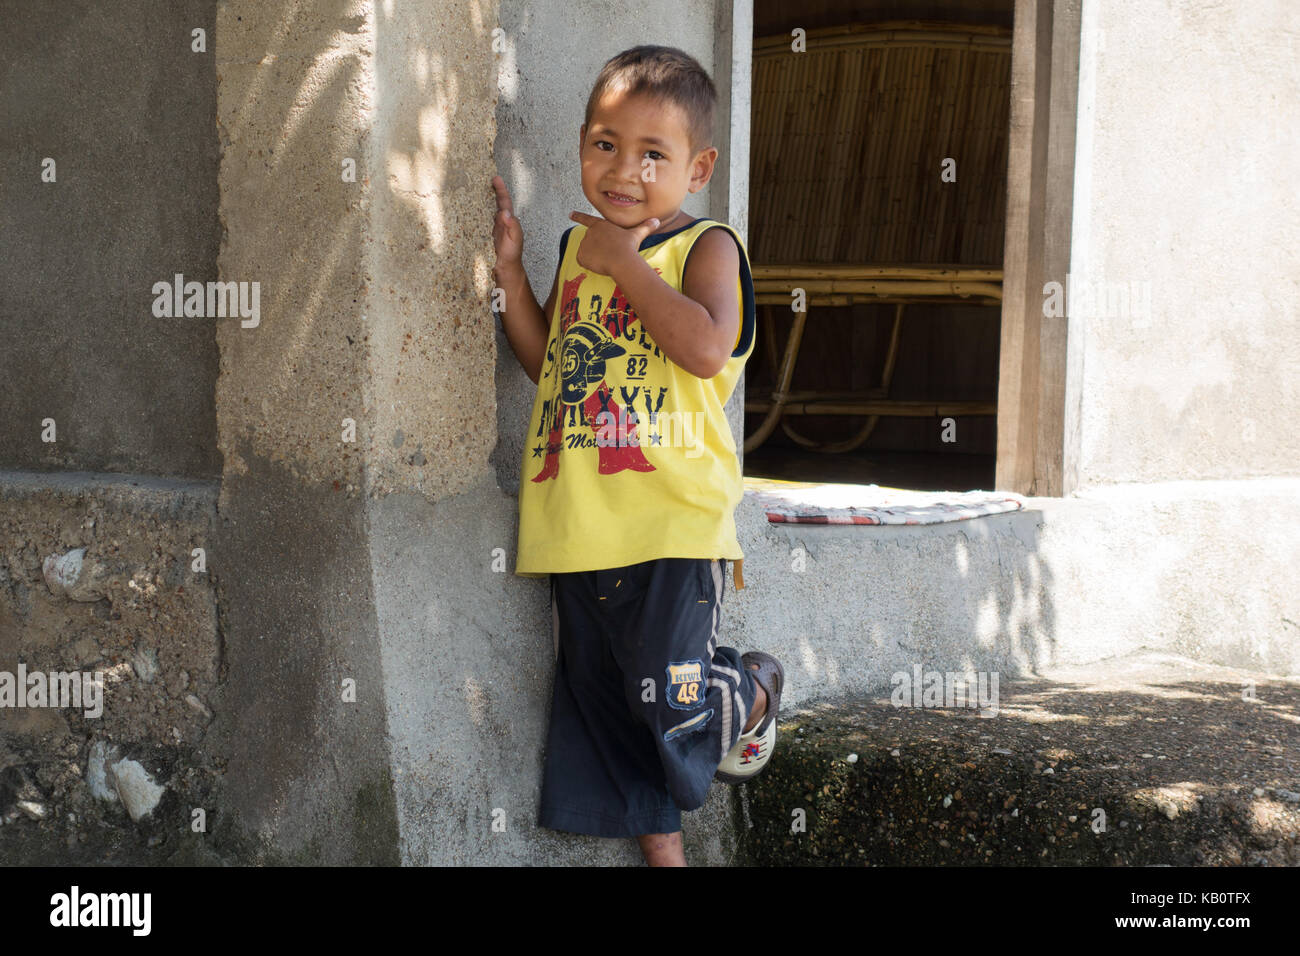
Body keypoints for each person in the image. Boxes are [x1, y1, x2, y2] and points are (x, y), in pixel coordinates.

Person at [491, 45, 784, 867]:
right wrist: (513, 276)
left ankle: (754, 685)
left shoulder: (705, 249)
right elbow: (551, 359)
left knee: (677, 708)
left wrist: (624, 265)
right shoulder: (578, 251)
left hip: (669, 528)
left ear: (699, 167)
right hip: (580, 528)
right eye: (606, 144)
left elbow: (703, 346)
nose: (623, 170)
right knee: (617, 714)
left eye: (653, 155)